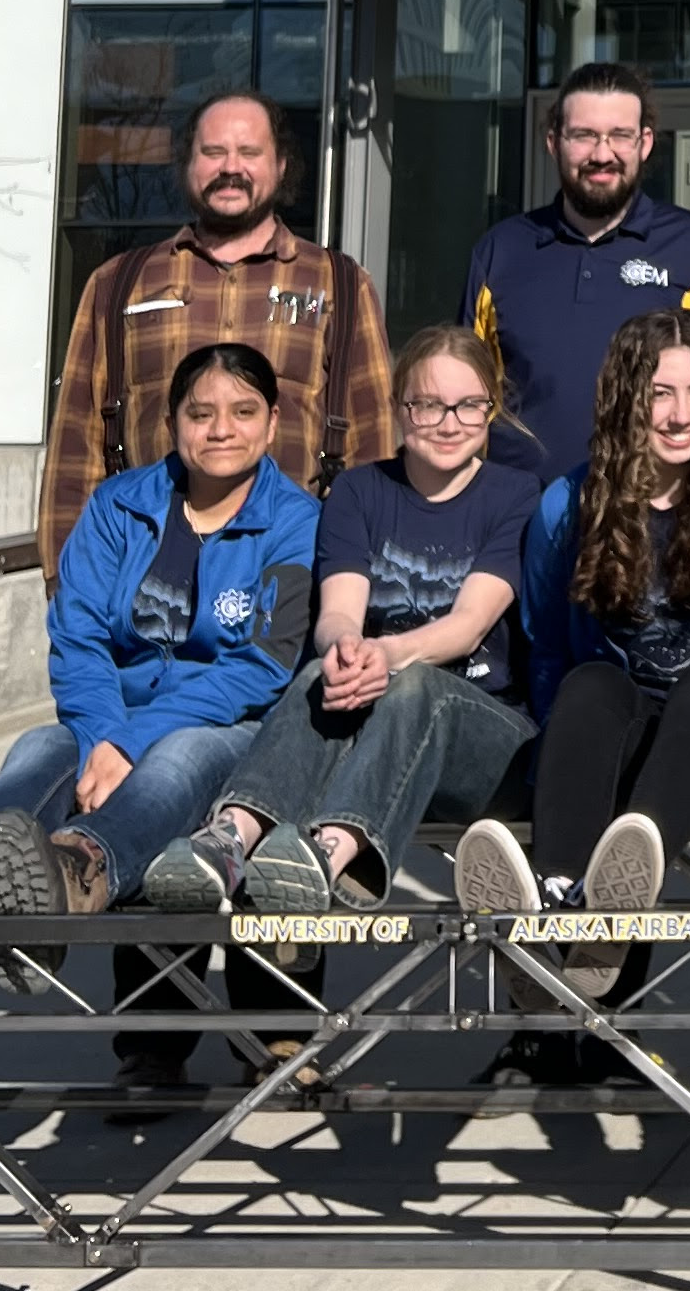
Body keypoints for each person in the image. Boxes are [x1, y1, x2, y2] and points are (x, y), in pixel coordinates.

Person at [0, 342, 317, 919]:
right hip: (114, 714)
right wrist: (103, 735)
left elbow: (262, 665)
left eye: (243, 412)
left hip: (227, 727)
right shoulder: (118, 506)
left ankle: (79, 867)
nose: (221, 429)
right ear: (173, 424)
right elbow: (78, 637)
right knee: (40, 747)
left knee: (177, 758)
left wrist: (131, 742)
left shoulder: (297, 522)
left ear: (273, 423)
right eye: (200, 414)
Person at [460, 311, 690, 994]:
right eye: (660, 394)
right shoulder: (570, 504)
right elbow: (547, 649)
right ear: (625, 399)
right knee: (589, 684)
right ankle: (568, 902)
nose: (683, 414)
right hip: (633, 736)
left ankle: (587, 920)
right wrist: (552, 762)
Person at [137, 324, 539, 919]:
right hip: (373, 718)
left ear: (490, 408)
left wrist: (386, 655)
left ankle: (328, 854)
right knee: (318, 676)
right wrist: (348, 649)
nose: (450, 423)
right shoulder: (359, 491)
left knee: (417, 684)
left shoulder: (514, 493)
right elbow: (339, 614)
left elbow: (469, 626)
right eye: (429, 406)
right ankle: (231, 837)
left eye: (469, 405)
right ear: (402, 408)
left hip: (483, 732)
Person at [36, 88, 392, 584]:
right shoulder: (117, 284)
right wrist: (67, 590)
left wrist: (359, 596)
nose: (231, 167)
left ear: (281, 165)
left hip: (294, 578)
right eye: (213, 152)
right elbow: (75, 448)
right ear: (188, 164)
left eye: (250, 153)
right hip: (141, 575)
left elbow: (373, 450)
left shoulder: (341, 285)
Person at [462, 59, 690, 479]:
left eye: (620, 135)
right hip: (520, 519)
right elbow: (464, 395)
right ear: (554, 142)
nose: (602, 155)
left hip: (654, 516)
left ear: (645, 142)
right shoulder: (501, 251)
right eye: (584, 136)